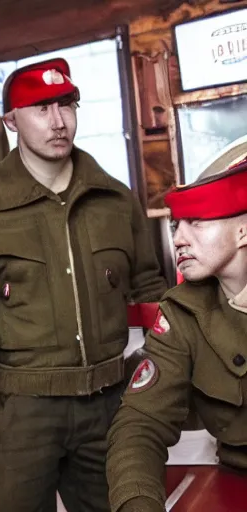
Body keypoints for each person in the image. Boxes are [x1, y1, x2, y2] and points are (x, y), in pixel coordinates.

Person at [0, 57, 166, 512]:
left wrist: (153, 389)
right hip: (20, 412)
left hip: (109, 404)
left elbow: (151, 291)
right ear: (11, 120)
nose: (59, 122)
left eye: (67, 105)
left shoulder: (115, 200)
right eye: (42, 109)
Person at [106, 136, 247, 512]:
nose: (179, 238)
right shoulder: (185, 312)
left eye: (197, 222)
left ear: (243, 231)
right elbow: (139, 425)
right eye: (177, 225)